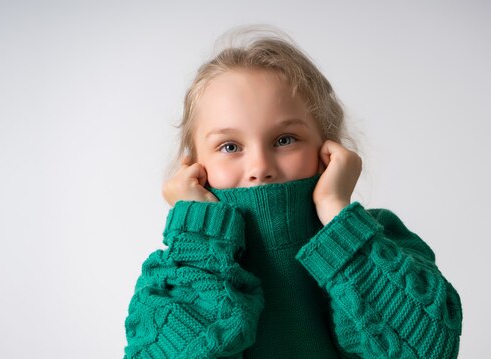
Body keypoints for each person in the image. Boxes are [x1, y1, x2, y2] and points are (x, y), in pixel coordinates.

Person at [123, 25, 462, 358]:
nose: (260, 167)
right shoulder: (175, 271)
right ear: (194, 166)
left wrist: (335, 211)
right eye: (229, 146)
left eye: (284, 140)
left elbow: (429, 350)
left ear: (327, 148)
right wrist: (198, 236)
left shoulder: (378, 242)